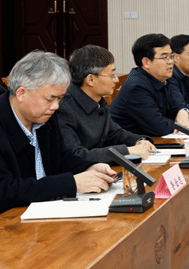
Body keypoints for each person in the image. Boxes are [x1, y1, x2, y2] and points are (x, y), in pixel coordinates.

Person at [0, 51, 117, 213]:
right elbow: (5, 190)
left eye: (60, 99)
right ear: (21, 93)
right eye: (50, 99)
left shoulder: (45, 115)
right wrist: (71, 184)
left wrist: (88, 167)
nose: (56, 106)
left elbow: (62, 157)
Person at [58, 45, 154, 164]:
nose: (116, 80)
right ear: (91, 80)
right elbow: (75, 156)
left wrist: (139, 141)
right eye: (112, 75)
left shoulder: (97, 100)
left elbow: (114, 133)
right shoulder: (63, 107)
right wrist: (128, 151)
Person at [110, 34, 189, 137]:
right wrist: (181, 125)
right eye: (165, 57)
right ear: (146, 62)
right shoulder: (136, 87)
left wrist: (183, 112)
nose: (171, 62)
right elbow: (160, 127)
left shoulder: (162, 79)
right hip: (132, 144)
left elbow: (177, 106)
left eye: (171, 56)